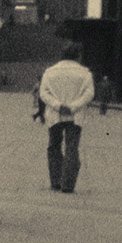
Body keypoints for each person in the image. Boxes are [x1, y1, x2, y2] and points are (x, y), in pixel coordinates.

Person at [39, 44, 94, 193]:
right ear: (78, 55)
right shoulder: (85, 73)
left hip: (54, 114)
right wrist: (74, 106)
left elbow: (43, 93)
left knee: (54, 145)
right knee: (72, 146)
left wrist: (58, 105)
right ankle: (68, 184)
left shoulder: (50, 72)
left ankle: (56, 180)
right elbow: (89, 94)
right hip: (75, 115)